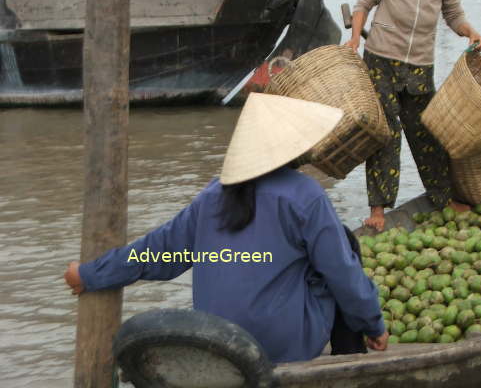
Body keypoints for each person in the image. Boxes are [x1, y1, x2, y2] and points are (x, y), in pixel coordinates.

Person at [63, 93, 388, 364]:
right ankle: (349, 356)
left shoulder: (211, 196)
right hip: (283, 346)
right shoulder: (306, 195)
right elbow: (341, 273)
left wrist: (90, 274)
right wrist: (374, 324)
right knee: (344, 246)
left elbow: (156, 252)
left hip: (217, 344)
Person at [343, 0, 481, 232]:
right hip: (381, 58)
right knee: (385, 133)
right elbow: (364, 4)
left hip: (421, 63)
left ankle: (442, 198)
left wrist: (471, 32)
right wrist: (354, 39)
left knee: (426, 133)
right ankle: (378, 209)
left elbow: (453, 15)